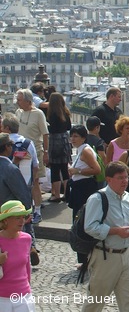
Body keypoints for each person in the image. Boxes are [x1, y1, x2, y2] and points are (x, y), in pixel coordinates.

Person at [82, 161, 129, 312]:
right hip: (105, 256)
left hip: (127, 255)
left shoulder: (128, 197)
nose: (125, 181)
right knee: (95, 301)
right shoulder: (97, 198)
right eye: (120, 178)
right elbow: (90, 227)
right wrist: (115, 231)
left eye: (126, 177)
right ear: (108, 179)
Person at [0, 133, 37, 267]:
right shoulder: (10, 169)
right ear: (7, 148)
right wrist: (27, 212)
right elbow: (23, 193)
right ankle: (30, 249)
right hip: (9, 214)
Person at [67, 125, 101, 265]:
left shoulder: (85, 151)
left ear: (83, 137)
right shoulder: (82, 149)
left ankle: (85, 258)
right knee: (79, 222)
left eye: (76, 136)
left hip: (84, 189)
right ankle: (83, 258)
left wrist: (77, 171)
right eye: (72, 136)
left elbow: (96, 170)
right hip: (79, 188)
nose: (73, 139)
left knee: (81, 223)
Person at [15, 89, 48, 226]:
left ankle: (38, 211)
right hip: (19, 152)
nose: (17, 102)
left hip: (35, 151)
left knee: (35, 182)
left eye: (20, 99)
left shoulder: (38, 114)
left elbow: (45, 134)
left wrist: (46, 152)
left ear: (28, 101)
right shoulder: (18, 113)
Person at [0, 200, 35, 312]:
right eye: (17, 218)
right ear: (6, 220)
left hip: (24, 296)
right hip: (2, 299)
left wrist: (28, 289)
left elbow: (27, 267)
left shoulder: (27, 238)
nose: (22, 221)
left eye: (23, 217)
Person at [47, 92, 72, 203]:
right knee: (65, 169)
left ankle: (56, 195)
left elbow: (50, 130)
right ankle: (67, 194)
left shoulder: (51, 115)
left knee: (55, 170)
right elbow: (69, 127)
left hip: (54, 141)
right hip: (64, 140)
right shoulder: (66, 113)